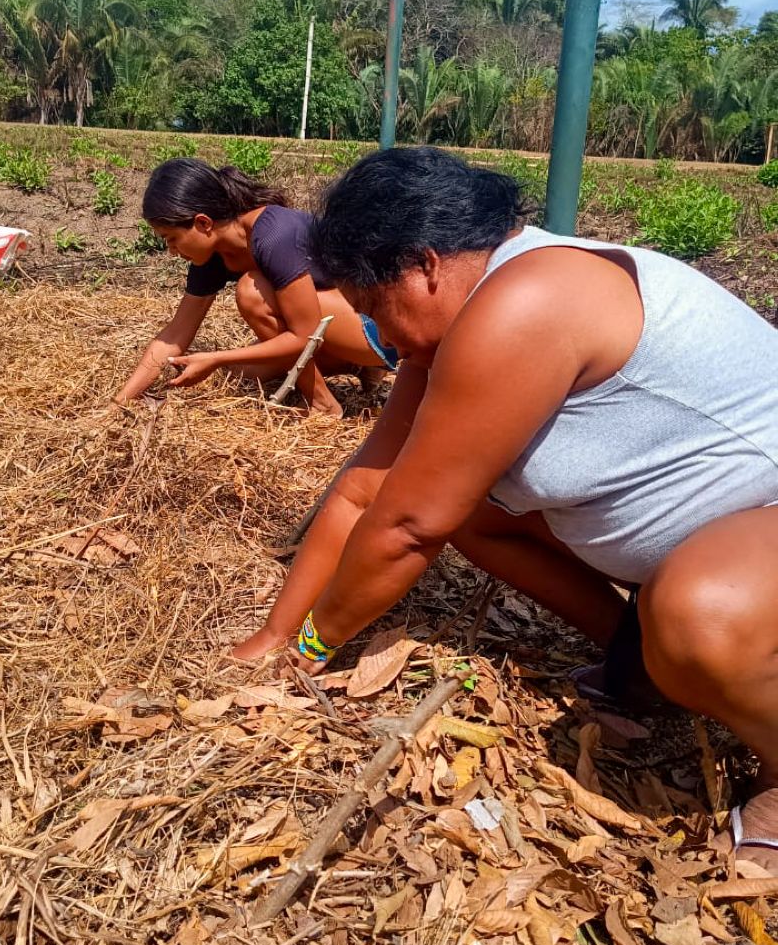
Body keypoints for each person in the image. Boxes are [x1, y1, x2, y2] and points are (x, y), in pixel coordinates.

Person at [233, 145, 778, 874]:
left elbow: (405, 530)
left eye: (374, 314)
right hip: (722, 525)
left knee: (700, 617)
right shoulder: (466, 310)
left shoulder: (524, 304)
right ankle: (638, 656)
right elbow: (371, 491)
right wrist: (276, 631)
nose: (381, 344)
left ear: (425, 266)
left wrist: (310, 652)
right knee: (474, 512)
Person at [112, 158, 397, 416]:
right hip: (331, 332)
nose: (171, 251)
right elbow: (174, 336)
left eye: (171, 238)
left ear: (203, 223)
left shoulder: (273, 234)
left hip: (379, 330)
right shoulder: (212, 258)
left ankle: (323, 403)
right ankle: (357, 367)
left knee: (251, 291)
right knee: (241, 372)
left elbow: (304, 336)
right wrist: (119, 403)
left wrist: (215, 357)